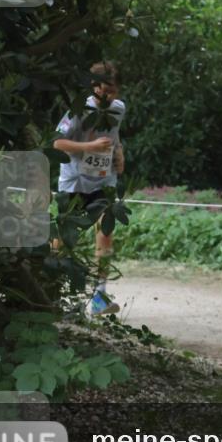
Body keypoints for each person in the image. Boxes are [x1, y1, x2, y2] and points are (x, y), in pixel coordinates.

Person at [53, 61, 126, 316]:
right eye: (102, 91)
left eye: (112, 91)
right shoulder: (78, 110)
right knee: (63, 239)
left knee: (105, 233)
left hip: (104, 181)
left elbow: (115, 137)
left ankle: (99, 296)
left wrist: (120, 154)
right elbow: (57, 143)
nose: (106, 97)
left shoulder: (118, 109)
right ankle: (52, 292)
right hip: (74, 181)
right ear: (93, 87)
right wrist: (89, 148)